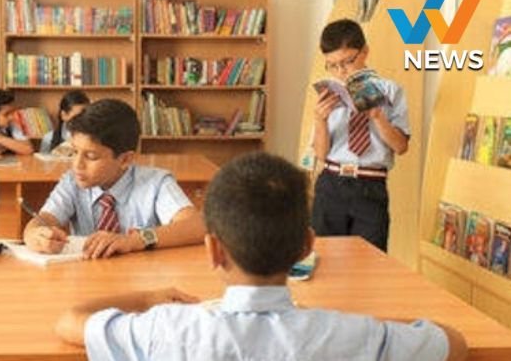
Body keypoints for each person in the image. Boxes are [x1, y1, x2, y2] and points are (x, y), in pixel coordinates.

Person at [55, 152, 467, 361]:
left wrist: (146, 298)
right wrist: (366, 327)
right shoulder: (350, 336)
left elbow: (71, 320)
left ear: (213, 250)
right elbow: (452, 342)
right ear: (306, 246)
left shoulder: (167, 329)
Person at [23, 98, 204, 259]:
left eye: (91, 157)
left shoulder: (156, 183)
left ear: (125, 159)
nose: (77, 164)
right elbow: (44, 218)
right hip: (88, 278)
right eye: (74, 152)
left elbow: (198, 226)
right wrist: (33, 234)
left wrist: (134, 240)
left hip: (143, 279)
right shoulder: (72, 182)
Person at [312, 19, 410, 251]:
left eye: (347, 62)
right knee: (324, 256)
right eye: (332, 65)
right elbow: (321, 154)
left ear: (364, 51)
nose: (341, 71)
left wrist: (377, 116)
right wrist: (319, 120)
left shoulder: (391, 91)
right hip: (331, 184)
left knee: (370, 259)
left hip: (370, 185)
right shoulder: (330, 92)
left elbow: (401, 147)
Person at [39, 90, 90, 154]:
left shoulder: (95, 138)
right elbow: (43, 159)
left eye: (86, 114)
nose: (83, 119)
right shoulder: (49, 139)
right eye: (78, 116)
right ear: (64, 115)